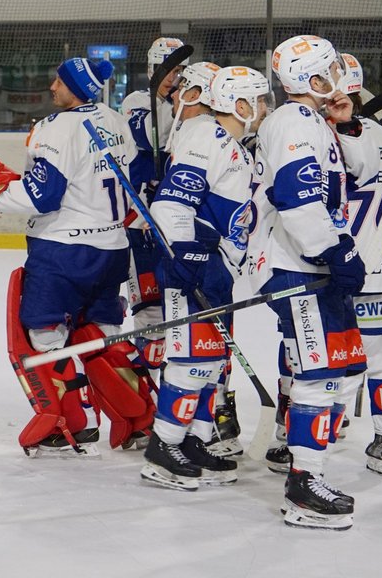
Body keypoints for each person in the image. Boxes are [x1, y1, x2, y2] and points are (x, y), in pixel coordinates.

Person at [0, 57, 151, 456]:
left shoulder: (55, 128)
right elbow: (133, 181)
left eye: (59, 81)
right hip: (112, 249)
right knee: (100, 334)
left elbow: (42, 195)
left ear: (75, 88)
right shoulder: (114, 119)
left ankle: (71, 423)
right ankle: (138, 418)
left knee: (40, 336)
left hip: (62, 251)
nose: (52, 87)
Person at [245, 34, 366, 530]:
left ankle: (298, 461)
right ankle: (303, 484)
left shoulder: (310, 120)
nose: (339, 75)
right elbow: (297, 197)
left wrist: (342, 119)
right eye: (331, 69)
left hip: (308, 263)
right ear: (313, 78)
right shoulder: (293, 121)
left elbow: (343, 181)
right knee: (319, 374)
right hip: (298, 267)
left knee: (328, 369)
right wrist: (332, 250)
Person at [139, 63, 267, 490]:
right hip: (195, 264)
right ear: (240, 103)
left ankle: (193, 440)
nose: (266, 107)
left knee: (210, 362)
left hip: (218, 269)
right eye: (260, 100)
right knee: (191, 360)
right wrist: (188, 256)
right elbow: (172, 204)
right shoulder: (206, 136)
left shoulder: (234, 144)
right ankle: (163, 446)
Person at [328, 53, 382, 475]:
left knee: (324, 344)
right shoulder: (379, 131)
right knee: (378, 348)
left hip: (335, 262)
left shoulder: (329, 133)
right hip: (375, 263)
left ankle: (323, 424)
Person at [116, 38, 189, 393]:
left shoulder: (187, 107)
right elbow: (150, 137)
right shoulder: (135, 101)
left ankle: (176, 387)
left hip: (174, 225)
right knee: (148, 314)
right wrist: (180, 106)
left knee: (177, 309)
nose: (174, 78)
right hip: (141, 226)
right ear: (151, 70)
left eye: (179, 71)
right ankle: (145, 393)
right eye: (168, 70)